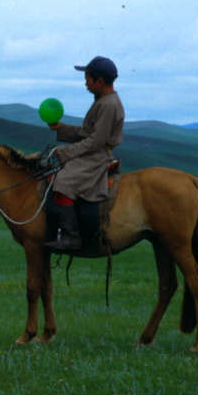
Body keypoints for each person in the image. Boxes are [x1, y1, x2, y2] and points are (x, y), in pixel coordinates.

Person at [47, 55, 125, 250]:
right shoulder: (103, 101)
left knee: (63, 182)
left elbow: (96, 141)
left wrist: (66, 152)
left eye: (88, 80)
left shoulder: (108, 104)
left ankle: (72, 237)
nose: (86, 84)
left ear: (99, 81)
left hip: (97, 157)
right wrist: (60, 128)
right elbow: (87, 133)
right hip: (92, 151)